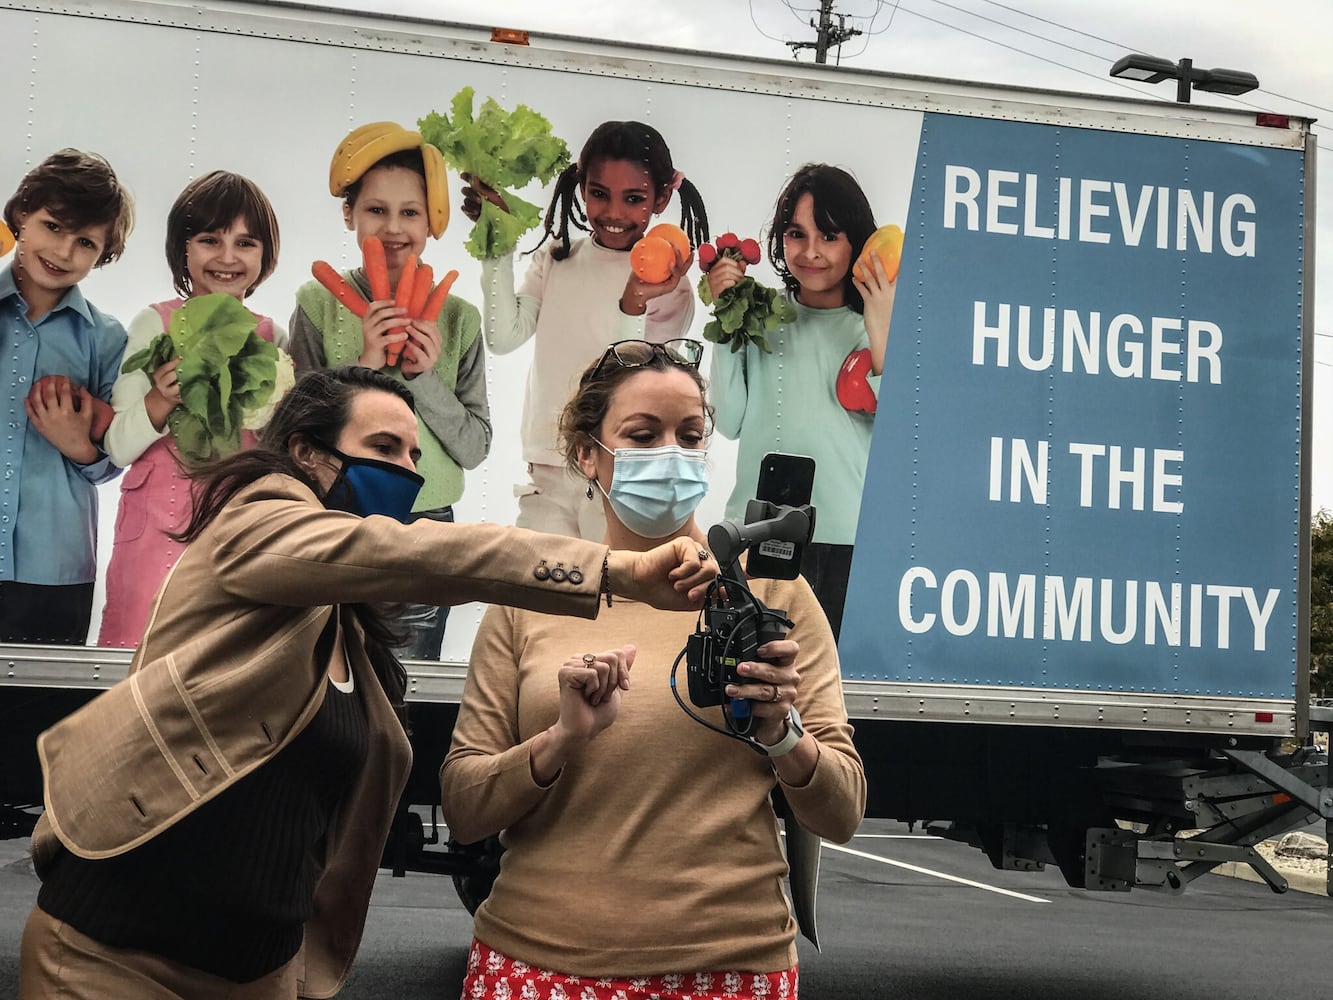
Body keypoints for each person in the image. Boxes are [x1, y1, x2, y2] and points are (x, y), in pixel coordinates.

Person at [19, 364, 719, 1000]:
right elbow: (416, 552)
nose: (408, 473)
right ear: (305, 454)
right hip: (112, 957)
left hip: (254, 973)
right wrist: (614, 571)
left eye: (416, 456)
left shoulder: (347, 628)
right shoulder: (254, 525)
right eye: (384, 449)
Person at [441, 341, 866, 999]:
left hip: (731, 968)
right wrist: (560, 739)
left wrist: (782, 732)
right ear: (587, 454)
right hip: (536, 964)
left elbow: (840, 812)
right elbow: (465, 810)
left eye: (690, 435)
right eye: (642, 435)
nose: (671, 453)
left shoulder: (774, 595)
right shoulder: (532, 598)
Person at [291, 121, 490, 661]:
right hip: (334, 517)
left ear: (432, 221)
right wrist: (366, 366)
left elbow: (474, 448)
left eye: (411, 212)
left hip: (428, 525)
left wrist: (423, 378)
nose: (394, 227)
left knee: (407, 683)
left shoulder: (459, 319)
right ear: (349, 214)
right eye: (377, 210)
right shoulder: (317, 301)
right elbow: (291, 435)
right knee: (327, 672)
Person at [461, 119, 708, 539]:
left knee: (608, 598)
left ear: (662, 197)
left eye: (634, 198)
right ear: (580, 185)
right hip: (547, 469)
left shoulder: (671, 289)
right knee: (542, 598)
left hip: (617, 472)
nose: (613, 213)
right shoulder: (556, 259)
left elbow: (628, 379)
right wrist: (495, 244)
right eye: (598, 194)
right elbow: (503, 337)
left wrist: (635, 300)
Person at [98, 170, 288, 648]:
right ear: (183, 249)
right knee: (137, 664)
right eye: (209, 240)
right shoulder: (154, 324)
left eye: (246, 244)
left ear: (265, 256)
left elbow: (281, 456)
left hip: (236, 533)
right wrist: (160, 399)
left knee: (224, 666)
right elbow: (118, 447)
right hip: (153, 534)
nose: (227, 258)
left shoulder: (273, 339)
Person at [708, 163, 897, 639]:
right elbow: (728, 421)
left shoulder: (879, 328)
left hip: (847, 542)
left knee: (828, 695)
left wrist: (881, 320)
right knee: (747, 690)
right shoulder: (761, 315)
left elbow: (901, 432)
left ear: (856, 240)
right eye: (796, 233)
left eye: (829, 236)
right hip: (754, 533)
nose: (810, 252)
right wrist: (726, 316)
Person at [0, 148, 135, 645]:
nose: (63, 252)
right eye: (53, 227)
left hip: (54, 571)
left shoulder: (107, 338)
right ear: (21, 217)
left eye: (85, 242)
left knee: (38, 721)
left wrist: (76, 442)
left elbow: (115, 456)